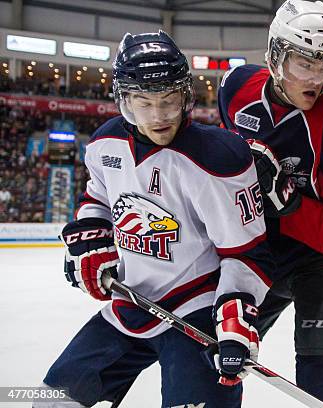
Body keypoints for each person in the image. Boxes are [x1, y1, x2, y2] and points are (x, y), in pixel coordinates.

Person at [35, 31, 273, 408]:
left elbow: (247, 253)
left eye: (168, 100)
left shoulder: (218, 158)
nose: (158, 115)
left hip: (196, 312)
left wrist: (235, 317)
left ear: (185, 94)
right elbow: (96, 199)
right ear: (123, 100)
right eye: (143, 103)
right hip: (129, 302)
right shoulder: (103, 144)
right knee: (51, 401)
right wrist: (91, 241)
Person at [217, 1, 323, 407]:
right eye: (305, 64)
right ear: (275, 56)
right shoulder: (235, 87)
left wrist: (283, 202)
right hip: (259, 252)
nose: (318, 78)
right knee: (212, 356)